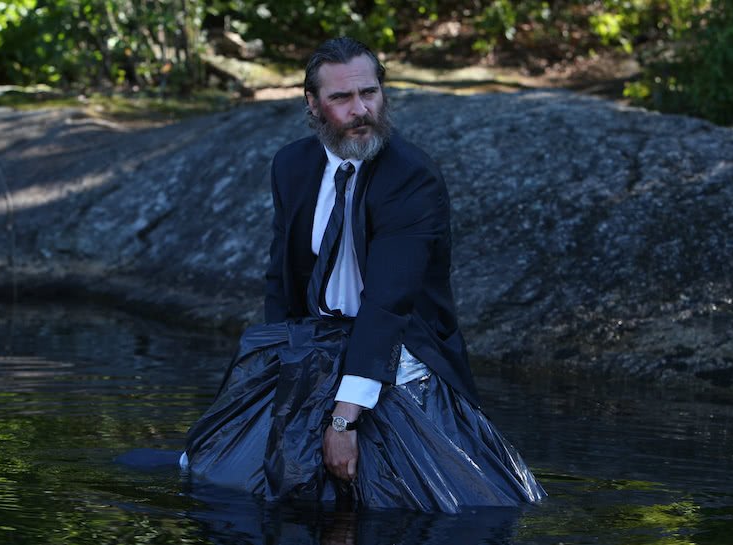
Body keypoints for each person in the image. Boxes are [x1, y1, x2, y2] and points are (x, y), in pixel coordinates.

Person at [181, 37, 545, 513]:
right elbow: (281, 277)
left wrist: (343, 420)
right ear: (312, 104)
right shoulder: (291, 165)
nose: (360, 110)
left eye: (369, 93)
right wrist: (282, 369)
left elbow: (388, 303)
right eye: (341, 98)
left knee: (447, 508)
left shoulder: (410, 177)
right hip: (316, 338)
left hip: (400, 348)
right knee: (216, 468)